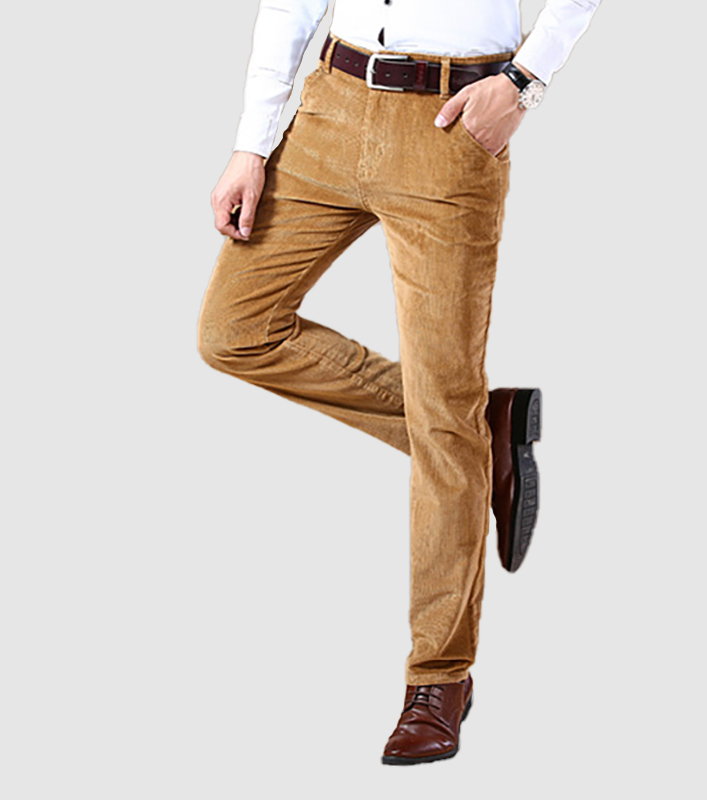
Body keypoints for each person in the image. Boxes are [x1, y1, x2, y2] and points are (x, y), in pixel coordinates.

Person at [197, 0, 601, 765]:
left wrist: (525, 80)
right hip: (331, 108)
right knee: (235, 330)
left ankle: (439, 678)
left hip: (454, 120)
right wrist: (252, 142)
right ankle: (482, 428)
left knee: (447, 420)